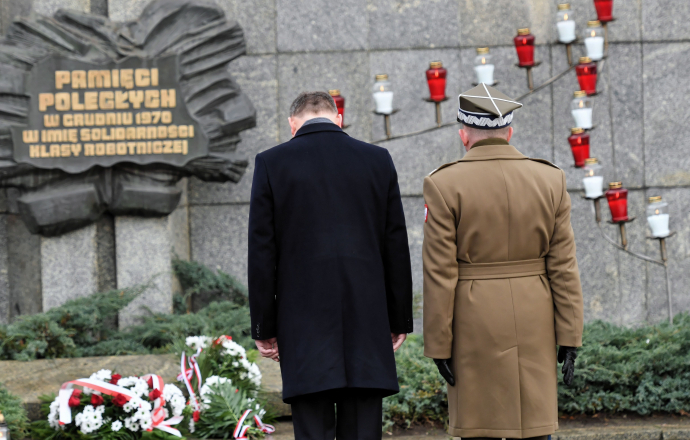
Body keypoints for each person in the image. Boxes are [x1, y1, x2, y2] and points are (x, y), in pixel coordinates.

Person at [248, 91, 413, 440]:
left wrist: (264, 326)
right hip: (367, 324)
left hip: (302, 327)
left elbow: (262, 252)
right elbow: (395, 245)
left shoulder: (271, 162)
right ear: (338, 118)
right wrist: (398, 319)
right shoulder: (377, 159)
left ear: (293, 124)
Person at [422, 84, 584, 440]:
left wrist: (438, 344)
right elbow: (563, 266)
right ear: (509, 132)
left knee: (480, 427)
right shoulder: (551, 178)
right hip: (534, 314)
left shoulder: (443, 184)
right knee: (535, 428)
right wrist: (570, 335)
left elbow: (440, 273)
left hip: (475, 316)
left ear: (464, 135)